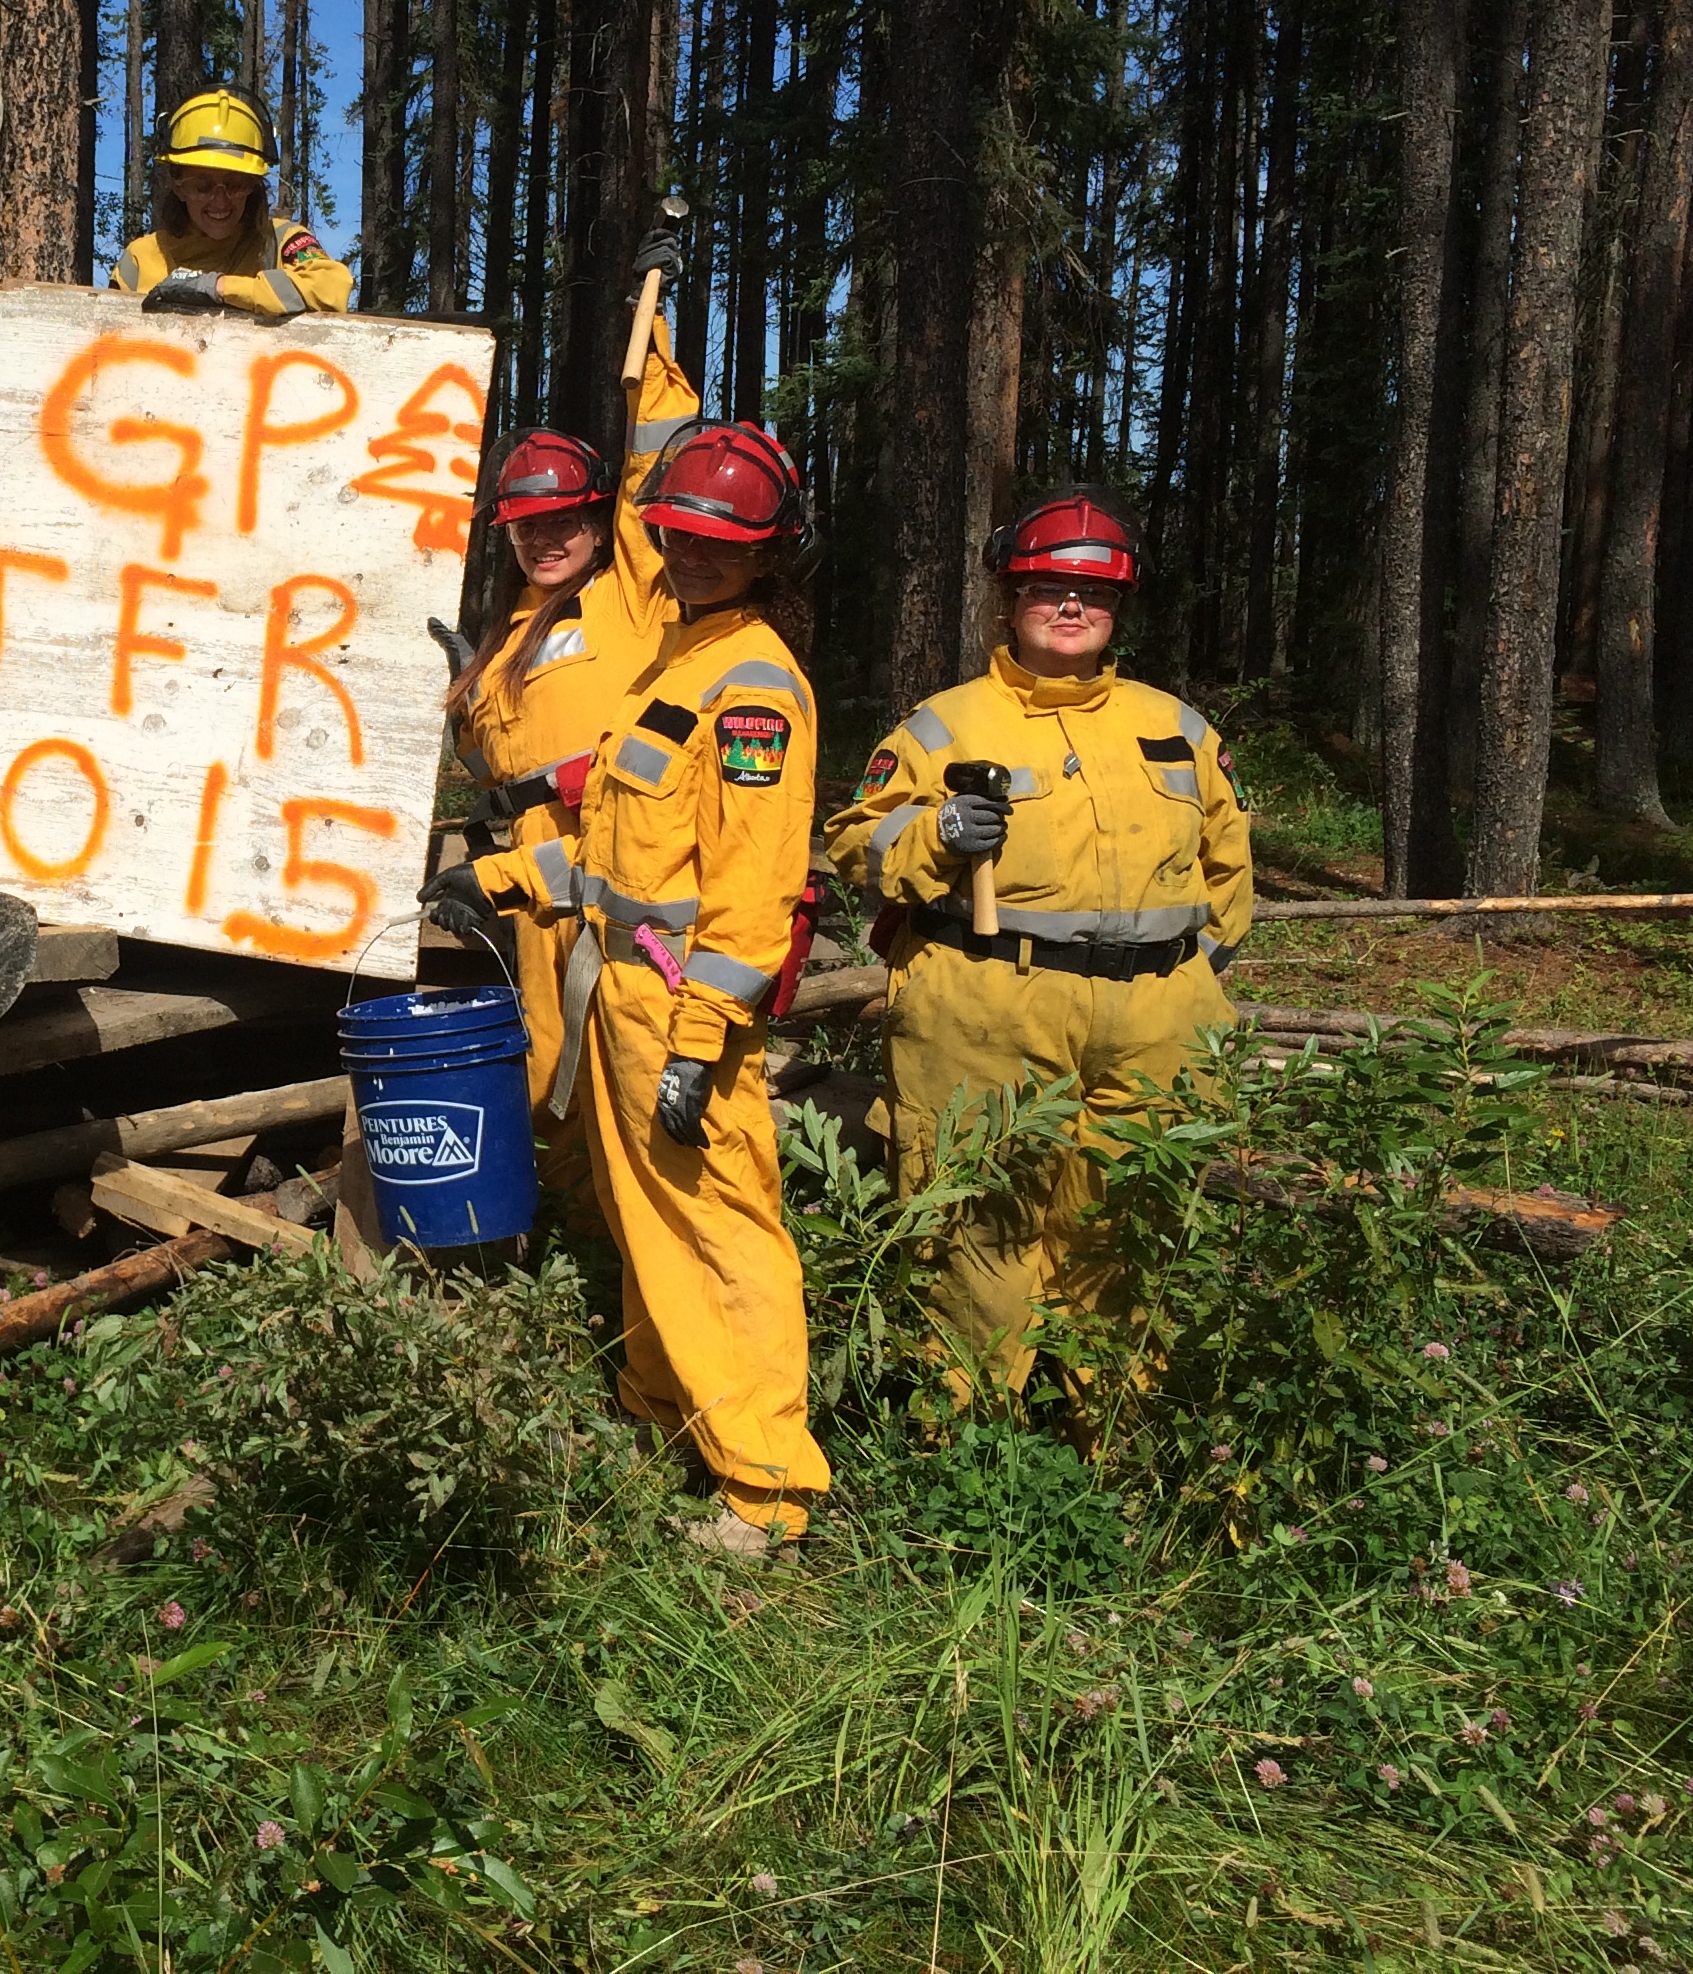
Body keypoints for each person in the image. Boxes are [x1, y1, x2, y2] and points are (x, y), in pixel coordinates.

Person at [426, 422, 827, 1560]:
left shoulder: (753, 690)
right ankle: (663, 1420)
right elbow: (624, 856)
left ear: (770, 553)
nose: (695, 557)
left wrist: (704, 1043)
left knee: (719, 1234)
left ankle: (767, 1487)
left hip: (678, 1009)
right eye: (681, 537)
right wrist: (499, 878)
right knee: (649, 1225)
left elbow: (749, 894)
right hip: (625, 996)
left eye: (723, 544)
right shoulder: (680, 663)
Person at [823, 487, 1253, 1402]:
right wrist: (938, 832)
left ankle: (1107, 1442)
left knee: (1130, 1230)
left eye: (1091, 595)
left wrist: (1186, 981)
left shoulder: (1177, 726)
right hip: (985, 1012)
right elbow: (857, 843)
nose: (1070, 607)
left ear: (1118, 609)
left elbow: (1229, 868)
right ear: (1009, 600)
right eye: (1047, 588)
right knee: (976, 1235)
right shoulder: (945, 725)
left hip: (1158, 1027)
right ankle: (967, 1449)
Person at [437, 250, 705, 1179]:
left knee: (623, 1045)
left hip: (617, 844)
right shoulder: (509, 630)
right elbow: (490, 769)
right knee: (549, 1054)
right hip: (535, 862)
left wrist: (651, 325)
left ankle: (621, 1228)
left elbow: (658, 455)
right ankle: (563, 1238)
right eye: (526, 525)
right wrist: (466, 698)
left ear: (598, 523)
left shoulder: (633, 589)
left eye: (565, 521)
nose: (546, 537)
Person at [108, 86, 353, 316]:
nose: (220, 201)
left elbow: (331, 289)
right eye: (202, 187)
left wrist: (219, 287)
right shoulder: (140, 260)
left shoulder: (281, 243)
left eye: (236, 185)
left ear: (254, 184)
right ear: (177, 186)